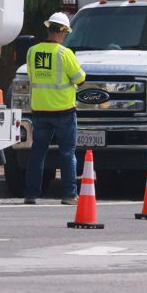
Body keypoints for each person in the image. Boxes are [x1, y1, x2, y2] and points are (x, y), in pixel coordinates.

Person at [24, 12, 86, 205]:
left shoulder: (32, 51)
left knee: (37, 153)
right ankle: (69, 195)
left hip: (40, 111)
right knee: (67, 153)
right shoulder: (64, 54)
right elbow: (80, 79)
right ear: (62, 31)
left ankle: (31, 194)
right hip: (63, 112)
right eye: (65, 32)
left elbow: (32, 75)